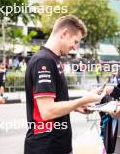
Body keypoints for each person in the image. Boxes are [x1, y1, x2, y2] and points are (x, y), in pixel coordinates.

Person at [24, 15, 104, 154]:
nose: (75, 47)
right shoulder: (44, 61)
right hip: (46, 146)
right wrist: (83, 100)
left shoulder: (54, 59)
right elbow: (47, 111)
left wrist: (76, 106)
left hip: (58, 145)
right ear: (64, 33)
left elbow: (54, 102)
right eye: (75, 41)